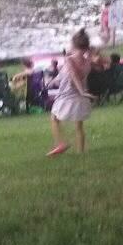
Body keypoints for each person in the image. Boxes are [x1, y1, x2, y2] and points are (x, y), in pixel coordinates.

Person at [47, 29, 97, 157]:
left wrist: (82, 91)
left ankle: (60, 143)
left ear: (73, 45)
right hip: (80, 97)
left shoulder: (69, 60)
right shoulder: (87, 61)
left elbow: (74, 76)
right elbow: (67, 74)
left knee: (54, 118)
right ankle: (80, 152)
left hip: (68, 95)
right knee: (79, 125)